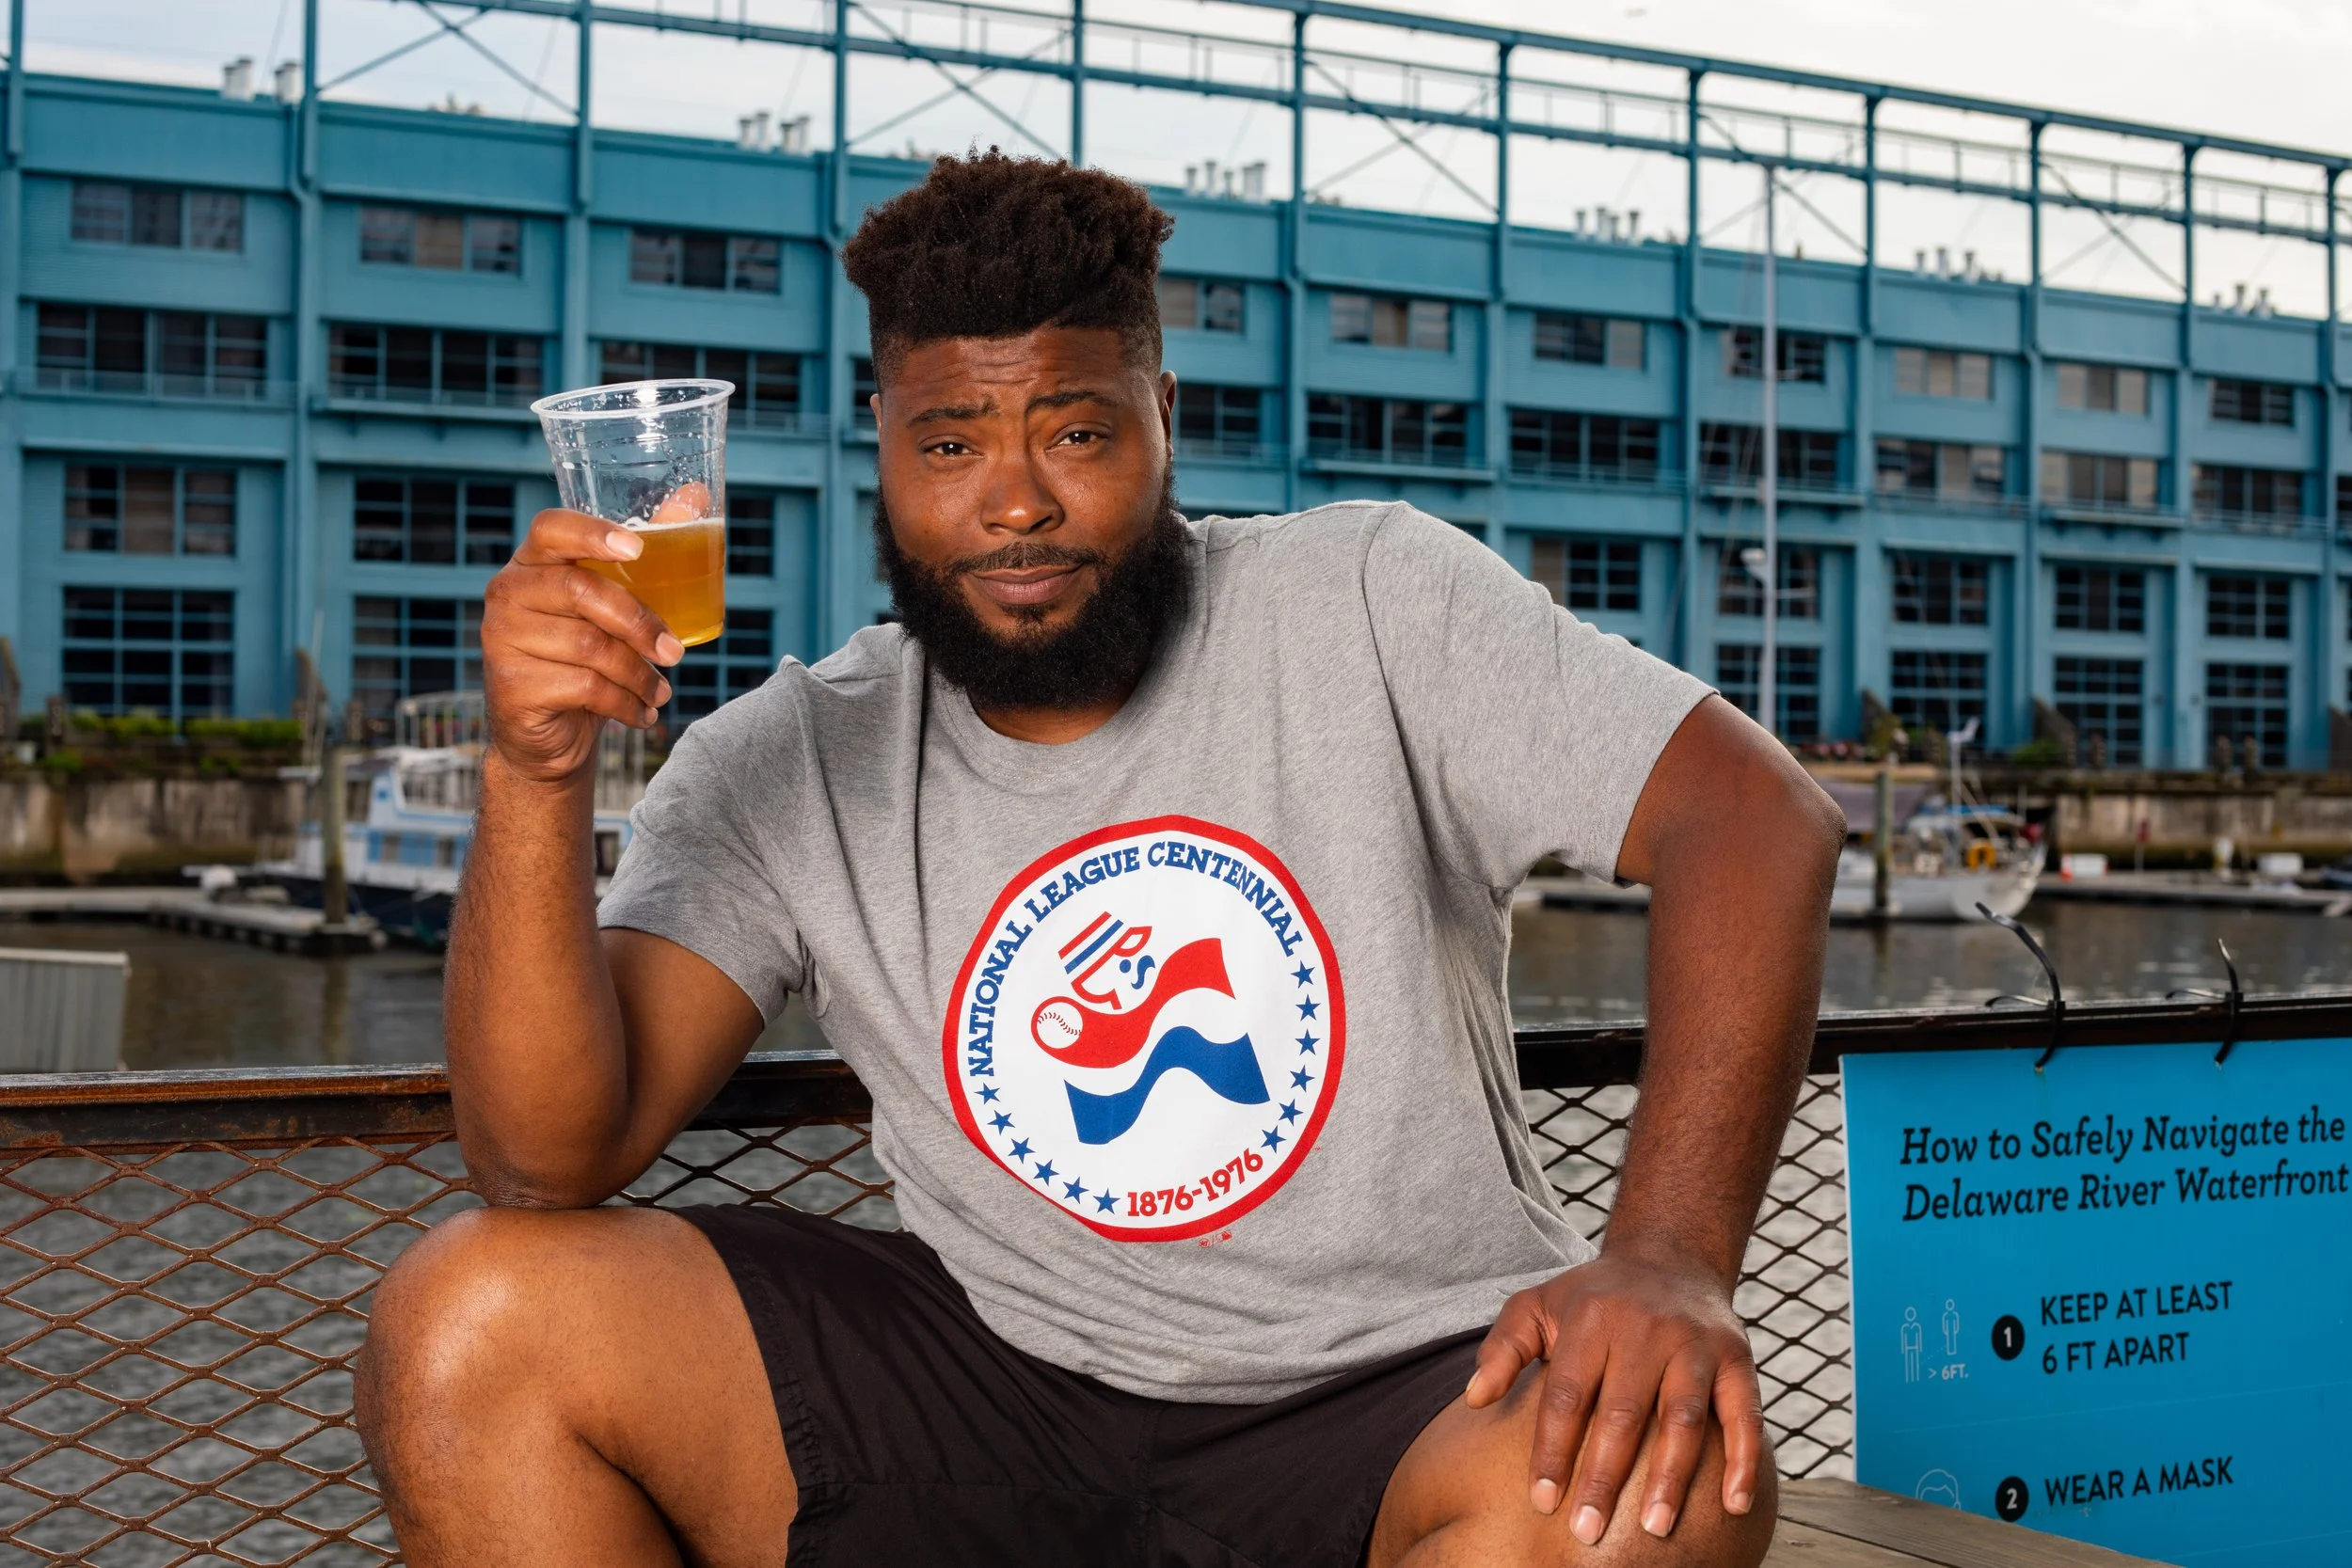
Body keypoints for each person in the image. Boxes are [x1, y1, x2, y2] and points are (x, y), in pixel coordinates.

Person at [355, 151, 1844, 1567]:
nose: (1016, 501)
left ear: (1162, 417)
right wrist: (534, 770)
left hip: (1405, 1396)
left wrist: (1667, 1255)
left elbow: (1752, 814)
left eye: (1074, 432)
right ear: (883, 447)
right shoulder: (787, 755)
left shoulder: (1369, 599)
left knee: (1648, 1498)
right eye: (951, 444)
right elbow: (543, 1158)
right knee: (471, 1315)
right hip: (997, 1393)